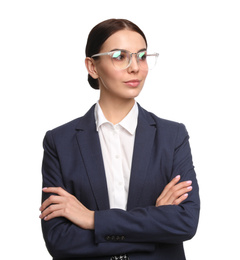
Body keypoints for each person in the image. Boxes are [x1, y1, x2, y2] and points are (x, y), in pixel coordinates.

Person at [39, 18, 200, 260]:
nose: (135, 67)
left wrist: (92, 219)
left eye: (142, 56)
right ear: (92, 67)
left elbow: (185, 223)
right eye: (119, 56)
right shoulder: (59, 142)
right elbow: (60, 241)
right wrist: (153, 231)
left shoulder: (172, 136)